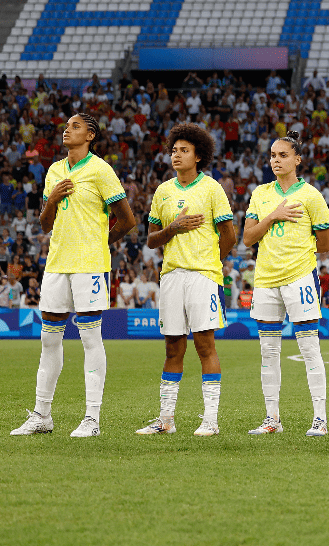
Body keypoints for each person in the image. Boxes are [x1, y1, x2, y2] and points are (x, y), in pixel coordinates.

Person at [12, 113, 136, 438]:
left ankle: (92, 419)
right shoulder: (54, 170)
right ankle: (42, 415)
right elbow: (44, 223)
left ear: (90, 135)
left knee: (90, 337)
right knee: (48, 337)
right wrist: (51, 199)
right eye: (66, 127)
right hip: (56, 262)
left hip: (89, 265)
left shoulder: (100, 170)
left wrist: (100, 243)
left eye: (75, 126)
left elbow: (127, 220)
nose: (67, 130)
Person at [135, 124, 236, 437]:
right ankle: (166, 420)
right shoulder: (163, 191)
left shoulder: (212, 189)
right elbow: (152, 240)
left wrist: (207, 262)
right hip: (171, 276)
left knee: (205, 347)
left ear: (198, 156)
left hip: (202, 276)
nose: (176, 155)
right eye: (174, 149)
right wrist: (172, 230)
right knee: (172, 349)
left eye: (184, 150)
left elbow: (229, 237)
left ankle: (211, 420)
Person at [243, 132, 329, 437]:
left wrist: (297, 252)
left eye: (283, 155)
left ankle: (319, 418)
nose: (276, 160)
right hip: (266, 279)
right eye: (272, 155)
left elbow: (326, 243)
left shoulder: (311, 196)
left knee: (309, 347)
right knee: (268, 351)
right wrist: (274, 216)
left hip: (299, 277)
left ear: (297, 159)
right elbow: (247, 238)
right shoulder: (260, 194)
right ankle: (272, 419)